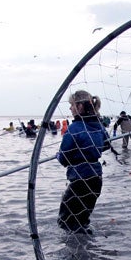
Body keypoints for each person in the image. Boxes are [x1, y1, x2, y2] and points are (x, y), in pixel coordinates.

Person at [56, 90, 110, 234]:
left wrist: (58, 155)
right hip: (96, 179)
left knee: (65, 222)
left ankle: (75, 253)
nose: (70, 108)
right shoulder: (98, 125)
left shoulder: (74, 128)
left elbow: (64, 158)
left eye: (72, 105)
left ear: (80, 107)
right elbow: (106, 144)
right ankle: (88, 250)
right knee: (82, 220)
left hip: (80, 180)